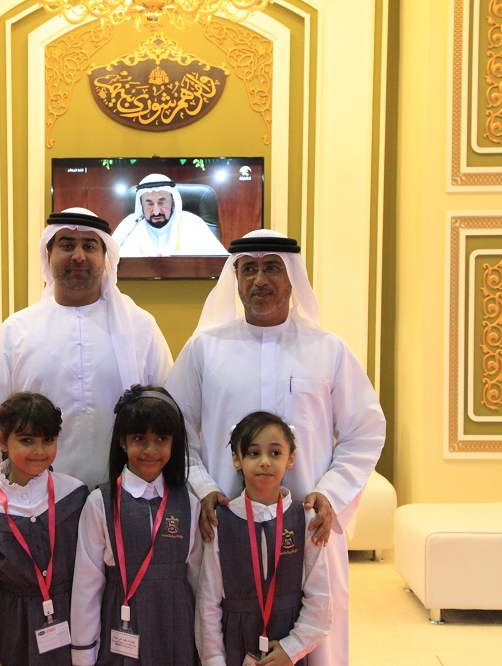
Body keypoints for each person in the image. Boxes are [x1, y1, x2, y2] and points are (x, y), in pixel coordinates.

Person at [165, 229, 386, 665]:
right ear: (236, 278)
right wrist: (204, 487)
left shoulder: (328, 350)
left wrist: (331, 493)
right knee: (217, 629)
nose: (259, 280)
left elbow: (364, 431)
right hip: (225, 522)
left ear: (292, 278)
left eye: (272, 268)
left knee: (314, 636)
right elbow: (176, 430)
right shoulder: (205, 349)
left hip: (307, 526)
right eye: (248, 269)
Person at [0, 208, 173, 519]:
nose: (78, 256)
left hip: (124, 502)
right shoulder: (17, 331)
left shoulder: (140, 328)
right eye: (66, 245)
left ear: (105, 257)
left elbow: (169, 413)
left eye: (89, 246)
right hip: (35, 506)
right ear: (48, 255)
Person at [70, 385, 202, 665]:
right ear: (122, 441)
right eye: (139, 438)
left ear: (174, 442)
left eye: (161, 439)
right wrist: (83, 653)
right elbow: (87, 584)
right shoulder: (100, 502)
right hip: (121, 624)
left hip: (176, 627)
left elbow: (199, 581)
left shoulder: (189, 503)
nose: (150, 450)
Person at [0, 392, 90, 665]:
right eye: (26, 440)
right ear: (2, 441)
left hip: (72, 619)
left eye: (48, 440)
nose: (39, 451)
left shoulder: (75, 495)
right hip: (13, 629)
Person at [195, 411, 330, 666]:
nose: (265, 462)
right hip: (234, 642)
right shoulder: (221, 521)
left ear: (291, 458)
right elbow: (208, 602)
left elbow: (320, 598)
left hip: (288, 643)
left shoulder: (305, 519)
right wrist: (213, 659)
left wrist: (293, 648)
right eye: (254, 453)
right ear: (236, 459)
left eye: (275, 453)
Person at [112, 174, 229, 257]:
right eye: (149, 203)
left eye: (162, 202)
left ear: (173, 202)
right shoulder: (129, 226)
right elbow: (108, 262)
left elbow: (221, 263)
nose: (156, 211)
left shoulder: (193, 223)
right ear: (141, 205)